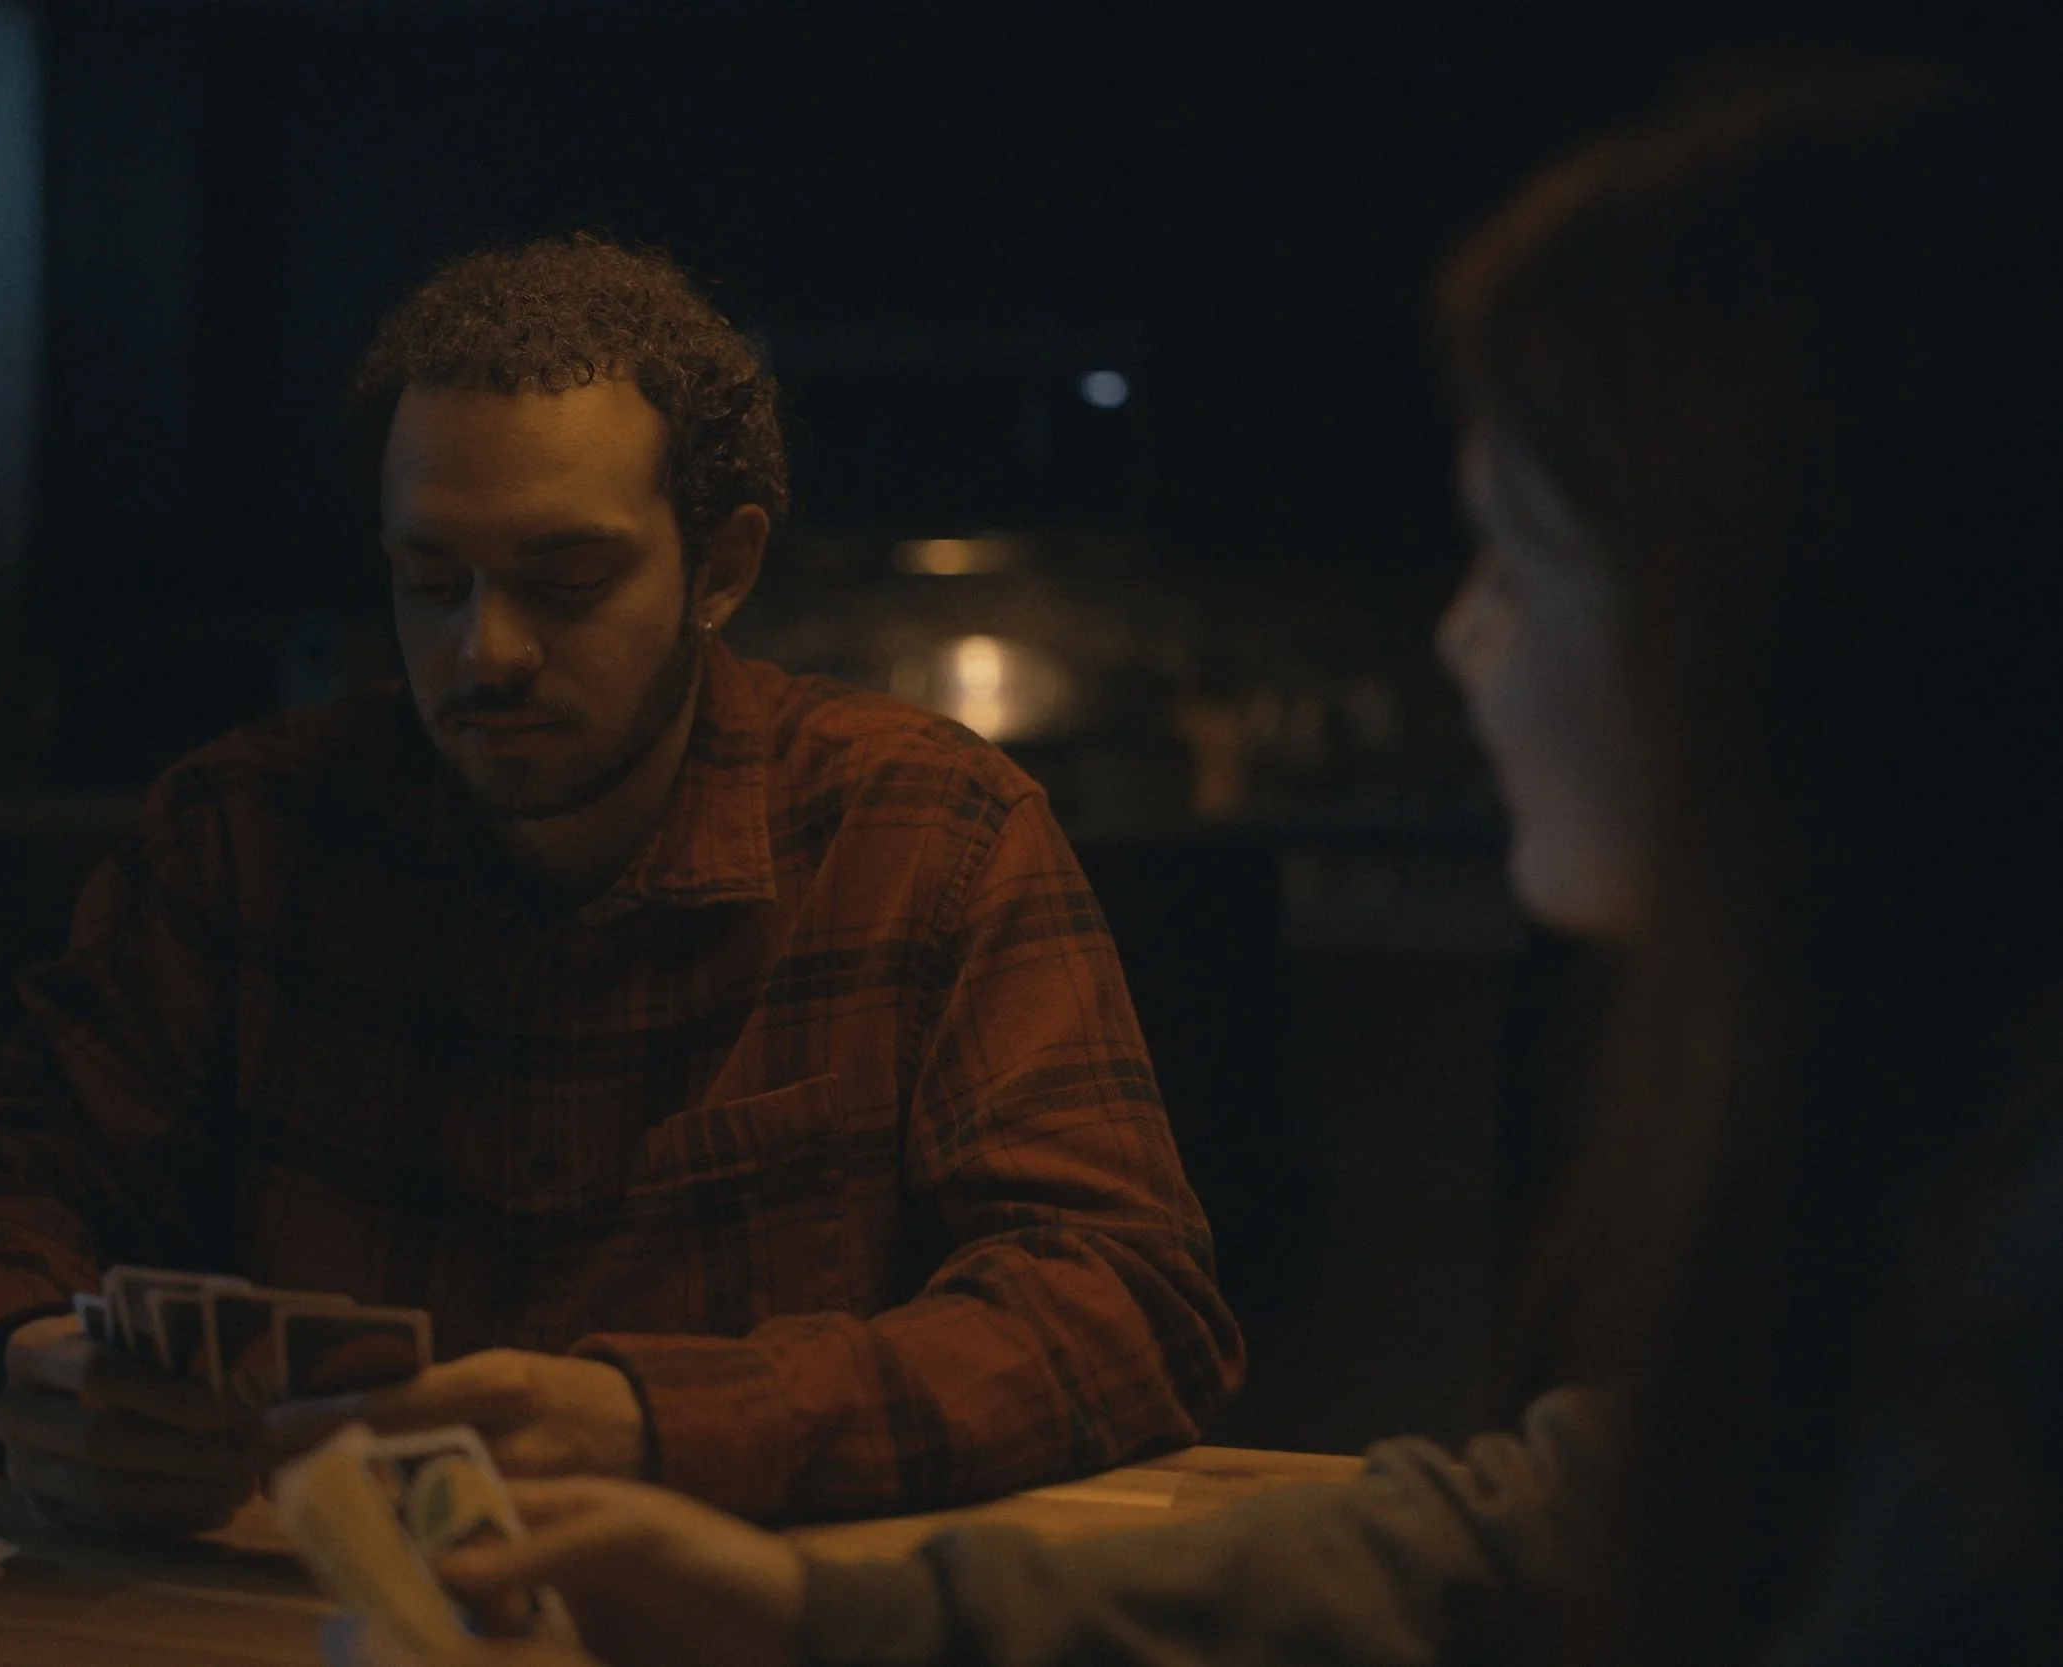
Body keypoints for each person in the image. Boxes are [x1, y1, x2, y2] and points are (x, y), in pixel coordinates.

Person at [377, 71, 2063, 1667]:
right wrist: (829, 1619)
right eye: (428, 576)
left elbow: (1142, 1318)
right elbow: (1538, 1524)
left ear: (1786, 619)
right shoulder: (1913, 1162)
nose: (1461, 632)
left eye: (1521, 549)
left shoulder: (2016, 1337)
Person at [0, 236, 1242, 1537]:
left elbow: (1128, 1302)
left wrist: (651, 1419)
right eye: (429, 579)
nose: (483, 651)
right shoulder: (250, 833)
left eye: (565, 580)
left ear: (724, 566)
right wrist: (24, 1368)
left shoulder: (929, 832)